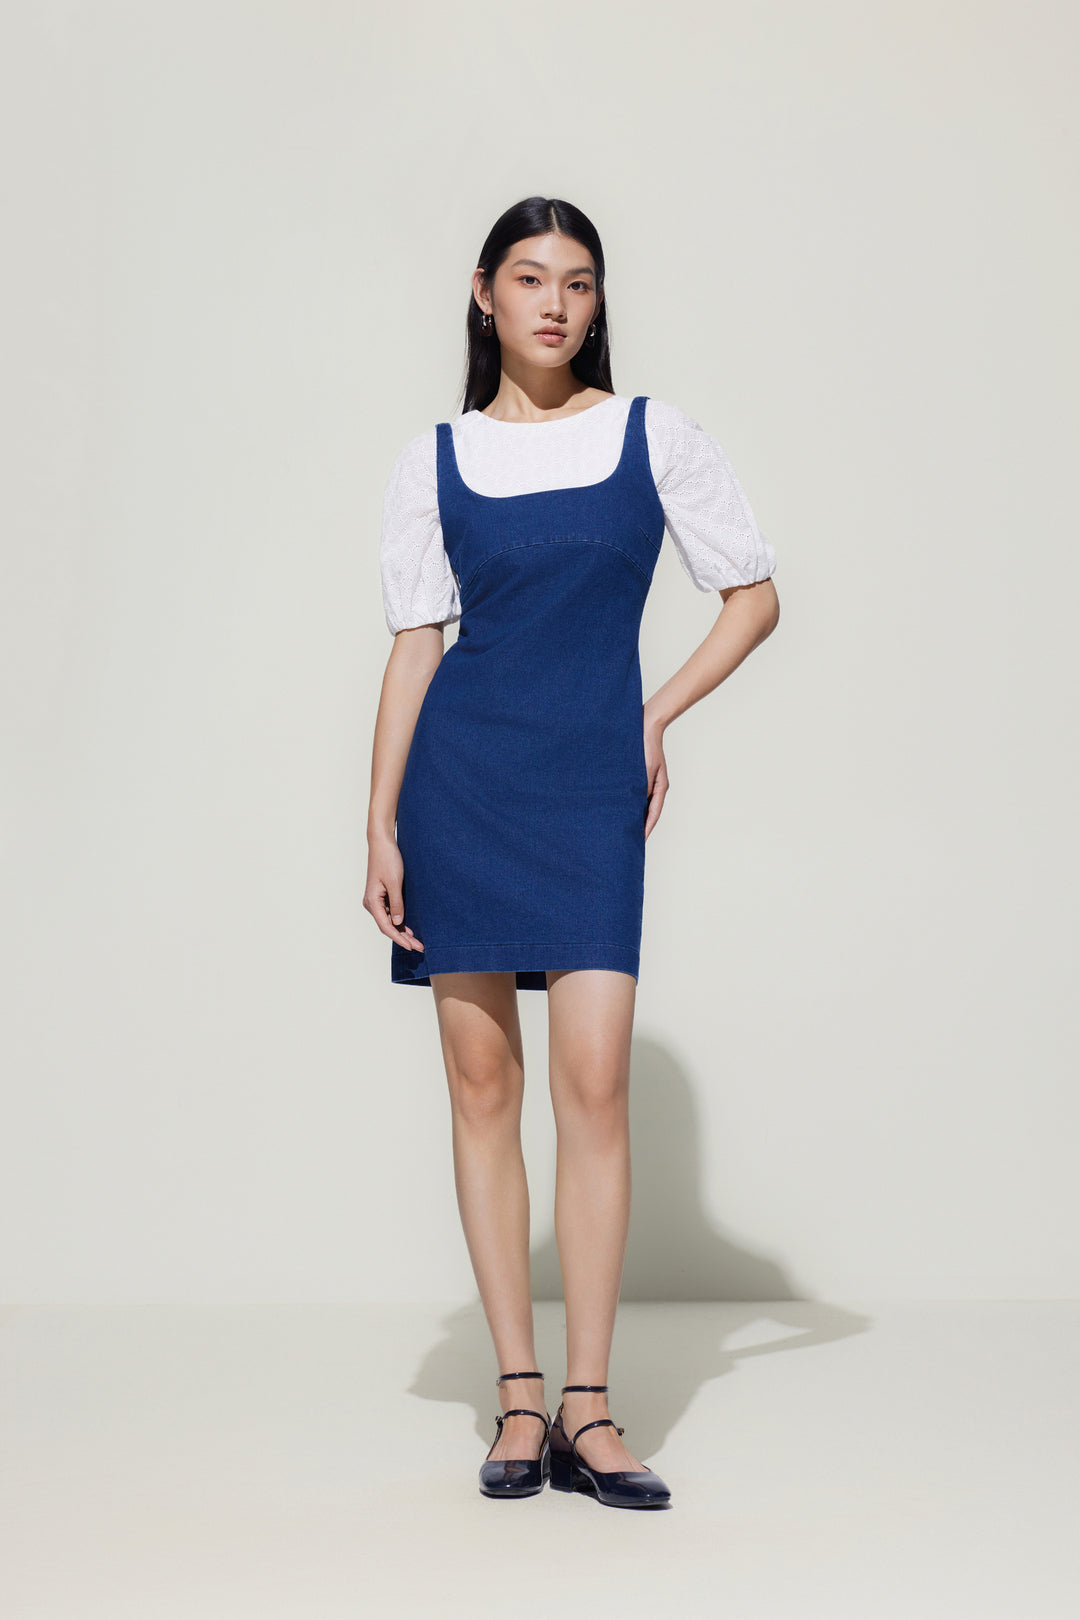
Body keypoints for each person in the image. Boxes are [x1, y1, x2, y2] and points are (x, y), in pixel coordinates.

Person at [366, 196, 780, 1510]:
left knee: (592, 1082)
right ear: (484, 293)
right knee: (482, 1085)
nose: (557, 303)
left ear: (598, 303)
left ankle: (590, 1409)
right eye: (532, 278)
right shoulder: (435, 459)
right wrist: (379, 822)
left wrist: (651, 714)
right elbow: (416, 646)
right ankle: (517, 1396)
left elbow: (755, 595)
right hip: (461, 788)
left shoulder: (652, 435)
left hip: (588, 787)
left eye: (581, 281)